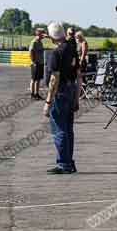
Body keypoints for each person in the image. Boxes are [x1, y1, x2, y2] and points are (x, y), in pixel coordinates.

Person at [43, 21, 79, 174]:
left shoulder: (56, 53)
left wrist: (48, 101)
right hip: (71, 89)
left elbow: (54, 79)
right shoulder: (72, 49)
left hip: (60, 91)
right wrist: (77, 98)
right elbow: (78, 75)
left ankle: (63, 163)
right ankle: (69, 162)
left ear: (51, 37)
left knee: (59, 128)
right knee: (68, 128)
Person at [29, 28, 46, 99]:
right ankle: (32, 94)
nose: (44, 35)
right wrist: (33, 61)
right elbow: (31, 52)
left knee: (38, 79)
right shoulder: (34, 42)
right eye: (43, 33)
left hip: (40, 62)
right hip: (36, 63)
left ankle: (37, 93)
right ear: (39, 34)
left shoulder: (40, 42)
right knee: (34, 79)